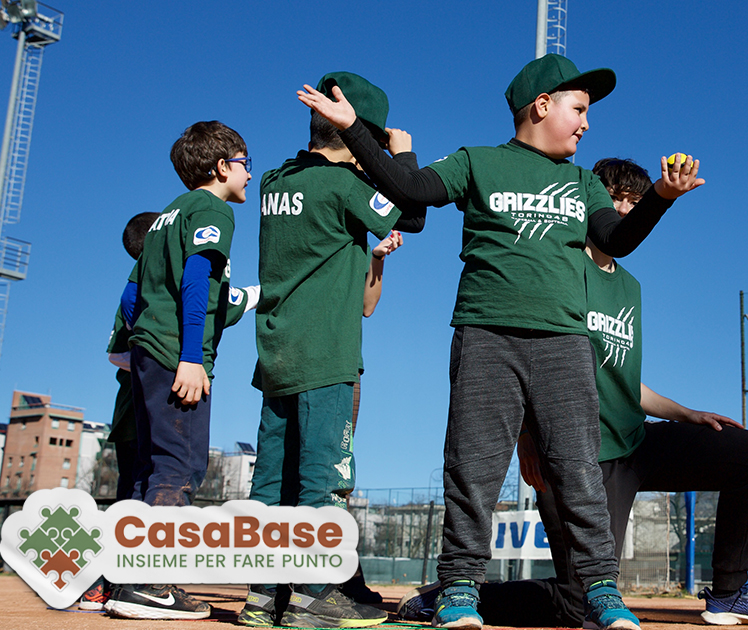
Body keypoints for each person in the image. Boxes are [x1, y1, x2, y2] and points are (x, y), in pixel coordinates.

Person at [298, 54, 703, 630]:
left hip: (565, 343)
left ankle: (601, 590)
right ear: (542, 105)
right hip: (486, 334)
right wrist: (354, 131)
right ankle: (461, 587)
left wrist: (661, 195)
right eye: (579, 109)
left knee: (579, 470)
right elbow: (409, 187)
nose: (587, 123)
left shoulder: (584, 181)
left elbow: (617, 238)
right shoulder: (478, 162)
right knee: (473, 468)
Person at [397, 158, 748, 627]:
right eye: (614, 199)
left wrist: (685, 413)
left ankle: (729, 594)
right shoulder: (557, 271)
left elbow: (624, 379)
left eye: (635, 200)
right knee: (577, 603)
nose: (624, 209)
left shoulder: (629, 286)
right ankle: (450, 595)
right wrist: (527, 438)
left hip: (634, 441)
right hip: (577, 455)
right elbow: (521, 358)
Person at [237, 72, 425, 629]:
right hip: (325, 354)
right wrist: (401, 156)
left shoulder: (274, 180)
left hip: (276, 353)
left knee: (271, 481)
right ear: (359, 133)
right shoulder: (344, 187)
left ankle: (262, 598)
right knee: (325, 478)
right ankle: (314, 596)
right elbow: (413, 213)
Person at [105, 120, 251, 621]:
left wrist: (144, 338)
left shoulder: (167, 214)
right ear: (221, 167)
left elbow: (131, 295)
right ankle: (150, 583)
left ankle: (127, 580)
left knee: (150, 469)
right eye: (244, 163)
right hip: (176, 355)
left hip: (149, 353)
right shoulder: (212, 209)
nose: (248, 174)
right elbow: (196, 280)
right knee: (180, 467)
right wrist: (191, 356)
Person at [81, 211, 259, 612]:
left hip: (143, 403)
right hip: (145, 406)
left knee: (142, 488)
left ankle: (120, 582)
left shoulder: (154, 286)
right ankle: (131, 581)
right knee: (152, 484)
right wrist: (166, 356)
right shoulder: (158, 288)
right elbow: (117, 352)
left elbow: (229, 302)